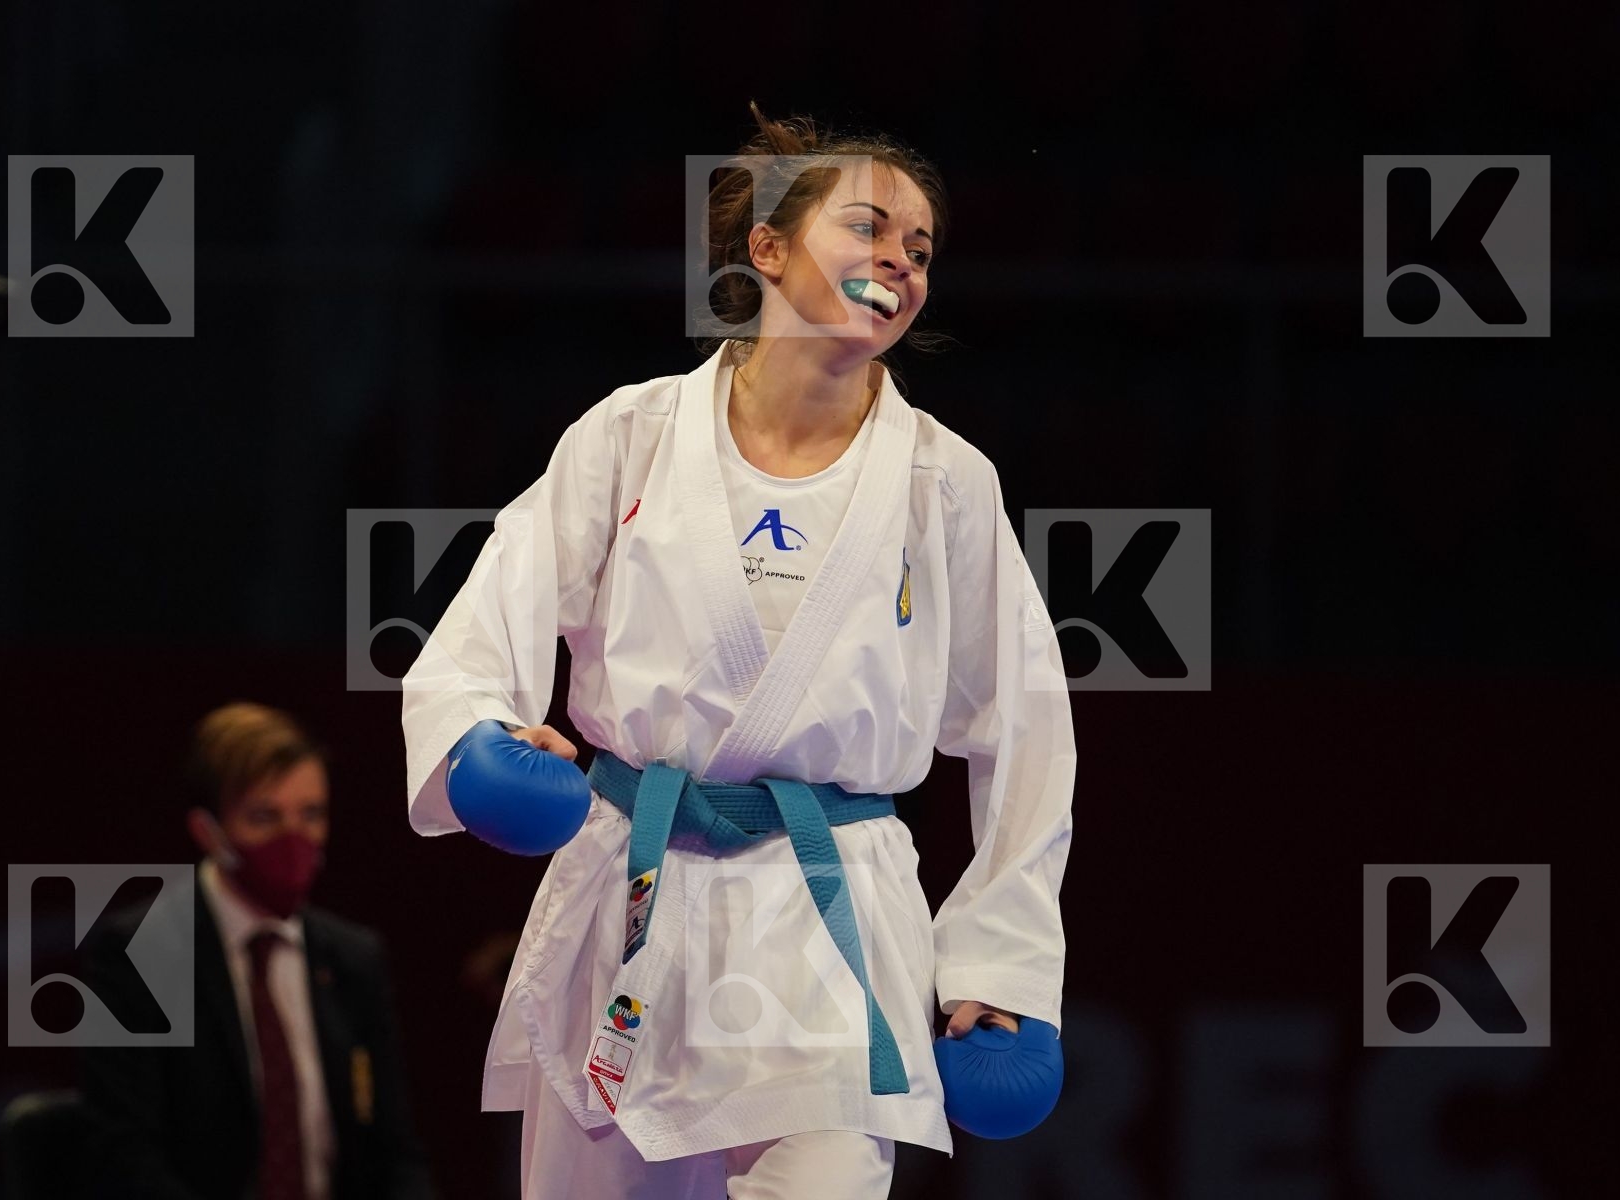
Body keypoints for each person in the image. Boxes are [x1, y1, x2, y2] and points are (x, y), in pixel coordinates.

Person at [401, 102, 1074, 1198]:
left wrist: (1001, 963)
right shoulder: (632, 434)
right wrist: (487, 732)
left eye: (920, 250)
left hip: (829, 923)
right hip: (634, 896)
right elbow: (492, 611)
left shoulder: (944, 481)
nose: (899, 264)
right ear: (766, 247)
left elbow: (1029, 723)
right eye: (868, 229)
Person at [81, 701, 438, 1200]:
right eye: (264, 817)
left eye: (311, 815)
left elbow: (394, 1154)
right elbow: (125, 1161)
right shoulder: (141, 954)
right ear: (208, 831)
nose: (294, 840)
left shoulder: (353, 958)